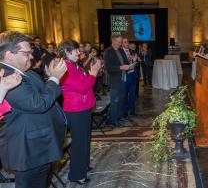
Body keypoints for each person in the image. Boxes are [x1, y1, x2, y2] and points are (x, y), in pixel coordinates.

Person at [0, 31, 67, 188]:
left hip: (38, 143)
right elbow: (37, 104)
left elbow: (42, 93)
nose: (31, 56)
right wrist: (54, 79)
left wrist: (50, 77)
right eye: (27, 53)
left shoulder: (26, 72)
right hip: (27, 147)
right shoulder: (6, 75)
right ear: (9, 55)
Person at [59, 39, 101, 185]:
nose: (79, 53)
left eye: (79, 50)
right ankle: (76, 174)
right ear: (67, 52)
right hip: (76, 109)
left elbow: (86, 84)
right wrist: (94, 73)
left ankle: (83, 166)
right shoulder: (65, 67)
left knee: (84, 140)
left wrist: (90, 74)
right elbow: (83, 87)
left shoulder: (74, 65)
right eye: (76, 50)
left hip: (84, 106)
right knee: (79, 143)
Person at [103, 34, 131, 127]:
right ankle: (113, 120)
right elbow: (108, 68)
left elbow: (125, 62)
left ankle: (119, 117)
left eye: (121, 42)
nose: (120, 44)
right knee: (115, 101)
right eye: (119, 42)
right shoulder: (108, 52)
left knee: (122, 99)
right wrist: (121, 67)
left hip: (123, 78)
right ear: (113, 40)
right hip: (115, 80)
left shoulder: (120, 50)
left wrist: (129, 65)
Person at [121, 38, 138, 117]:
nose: (127, 43)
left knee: (132, 94)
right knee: (124, 94)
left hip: (132, 75)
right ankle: (124, 111)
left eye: (128, 41)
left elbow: (136, 63)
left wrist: (135, 60)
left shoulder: (132, 51)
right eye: (125, 42)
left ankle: (132, 110)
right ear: (122, 44)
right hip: (125, 75)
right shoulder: (120, 52)